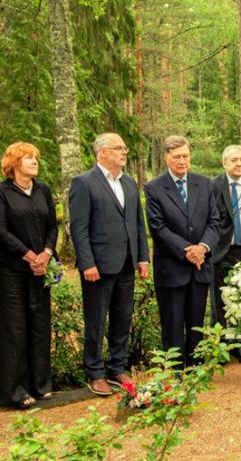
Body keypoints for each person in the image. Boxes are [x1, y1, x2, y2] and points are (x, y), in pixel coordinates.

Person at [69, 133, 150, 396]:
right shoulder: (84, 182)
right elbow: (79, 228)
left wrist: (142, 258)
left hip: (126, 263)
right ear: (102, 152)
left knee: (122, 318)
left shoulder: (129, 182)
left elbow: (137, 224)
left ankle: (117, 366)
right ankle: (95, 372)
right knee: (96, 321)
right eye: (118, 148)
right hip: (98, 267)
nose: (124, 152)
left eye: (125, 148)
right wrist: (87, 263)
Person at [0, 142, 58, 409]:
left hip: (40, 269)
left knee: (40, 326)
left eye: (36, 157)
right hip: (10, 271)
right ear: (14, 163)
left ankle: (40, 385)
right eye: (28, 158)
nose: (34, 161)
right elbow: (0, 232)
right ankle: (14, 391)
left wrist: (46, 254)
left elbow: (52, 226)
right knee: (13, 329)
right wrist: (30, 256)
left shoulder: (43, 189)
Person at [144, 136, 220, 368]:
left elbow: (215, 221)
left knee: (196, 325)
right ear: (166, 158)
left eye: (186, 156)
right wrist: (187, 251)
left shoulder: (204, 183)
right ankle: (174, 372)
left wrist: (202, 248)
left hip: (200, 267)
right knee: (173, 325)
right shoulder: (154, 187)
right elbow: (157, 227)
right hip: (172, 267)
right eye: (177, 157)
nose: (182, 161)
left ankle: (195, 369)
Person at [210, 145, 241, 363]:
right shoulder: (213, 186)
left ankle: (238, 345)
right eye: (234, 160)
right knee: (220, 301)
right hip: (220, 252)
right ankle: (220, 346)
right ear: (224, 163)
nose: (239, 164)